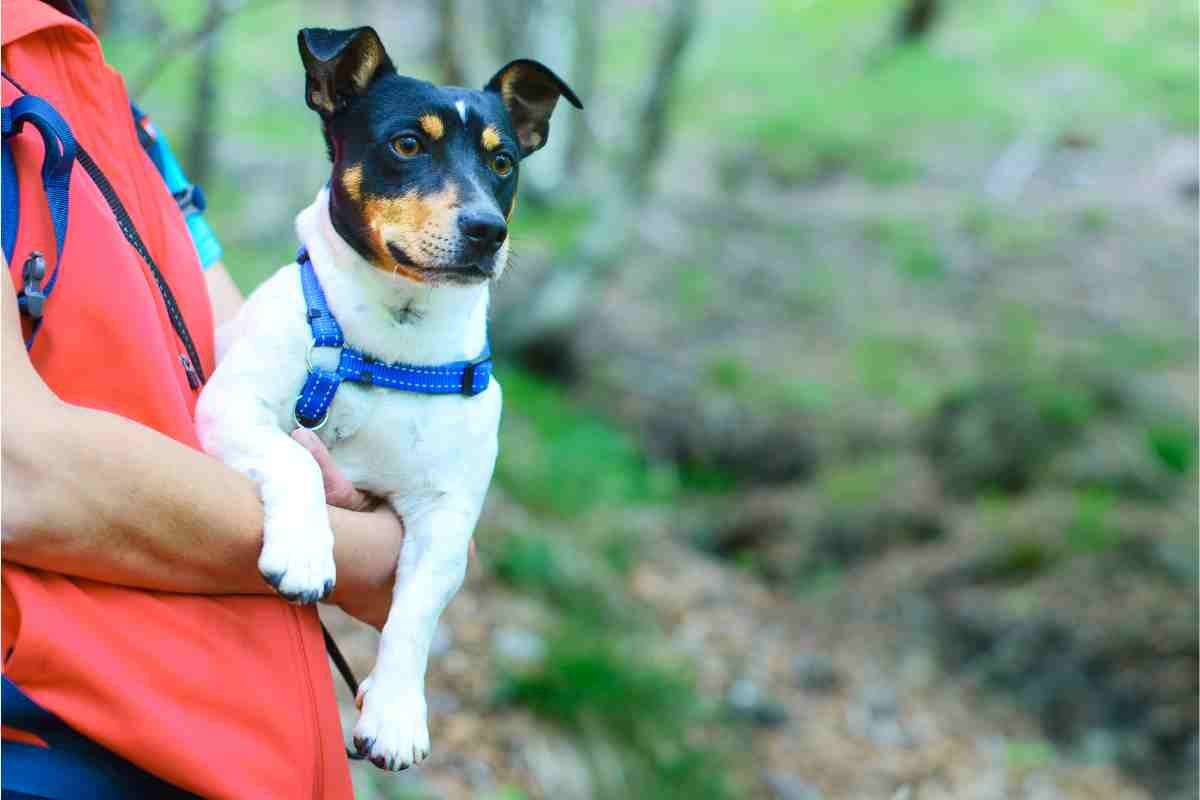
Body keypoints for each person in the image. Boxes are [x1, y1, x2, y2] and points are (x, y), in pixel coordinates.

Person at [1, 1, 406, 796]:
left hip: (244, 759)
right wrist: (366, 554)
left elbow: (291, 388)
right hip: (58, 758)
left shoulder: (118, 117)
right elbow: (18, 471)